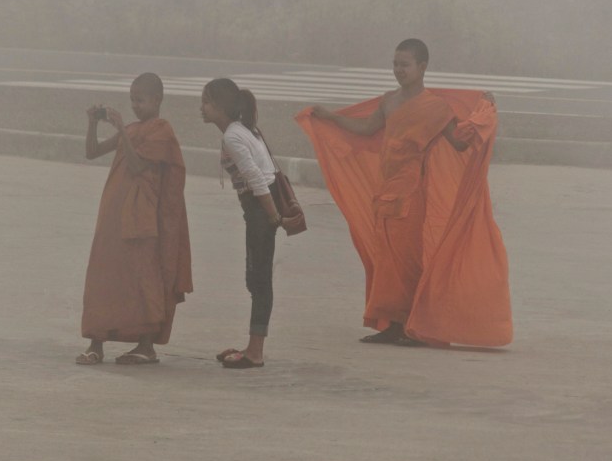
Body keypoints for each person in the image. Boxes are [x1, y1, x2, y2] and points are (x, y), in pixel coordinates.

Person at [296, 39, 512, 347]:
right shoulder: (389, 101)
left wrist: (484, 113)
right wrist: (329, 117)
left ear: (422, 68)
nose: (398, 70)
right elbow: (364, 130)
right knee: (386, 260)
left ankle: (419, 326)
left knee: (408, 261)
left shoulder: (436, 107)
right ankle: (393, 324)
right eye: (395, 64)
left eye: (405, 64)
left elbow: (460, 142)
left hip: (411, 193)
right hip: (386, 192)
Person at [75, 73, 192, 365]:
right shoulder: (134, 128)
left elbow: (139, 165)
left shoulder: (161, 130)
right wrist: (92, 123)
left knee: (142, 278)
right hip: (114, 213)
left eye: (140, 100)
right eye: (132, 100)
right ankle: (95, 344)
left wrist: (122, 132)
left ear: (157, 100)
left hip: (143, 218)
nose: (136, 106)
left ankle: (146, 345)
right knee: (105, 274)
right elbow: (92, 152)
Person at [200, 78, 297, 368]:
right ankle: (252, 345)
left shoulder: (233, 136)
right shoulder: (243, 130)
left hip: (259, 210)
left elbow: (257, 179)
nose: (201, 108)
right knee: (255, 278)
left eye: (205, 102)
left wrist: (272, 218)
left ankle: (255, 351)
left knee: (259, 280)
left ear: (219, 106)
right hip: (259, 210)